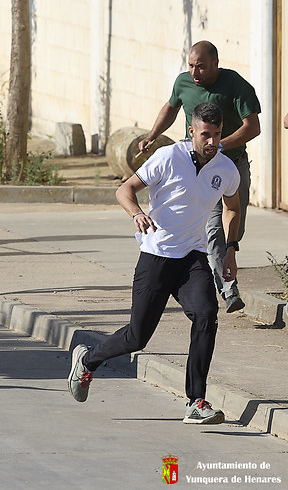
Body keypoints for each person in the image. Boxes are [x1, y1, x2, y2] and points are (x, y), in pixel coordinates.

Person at [68, 102, 241, 426]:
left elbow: (232, 207)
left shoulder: (225, 169)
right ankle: (88, 359)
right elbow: (125, 189)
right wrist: (137, 213)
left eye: (217, 135)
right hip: (157, 255)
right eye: (206, 134)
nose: (212, 142)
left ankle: (196, 400)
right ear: (192, 131)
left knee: (206, 315)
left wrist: (230, 250)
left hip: (192, 257)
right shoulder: (168, 157)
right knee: (138, 337)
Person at [137, 41, 260, 314]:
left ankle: (225, 264)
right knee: (210, 228)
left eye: (201, 66)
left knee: (229, 224)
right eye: (191, 65)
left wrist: (218, 146)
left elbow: (253, 127)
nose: (195, 72)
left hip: (231, 165)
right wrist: (152, 135)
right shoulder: (183, 83)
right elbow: (170, 108)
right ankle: (227, 289)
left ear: (215, 63)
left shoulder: (236, 85)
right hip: (193, 166)